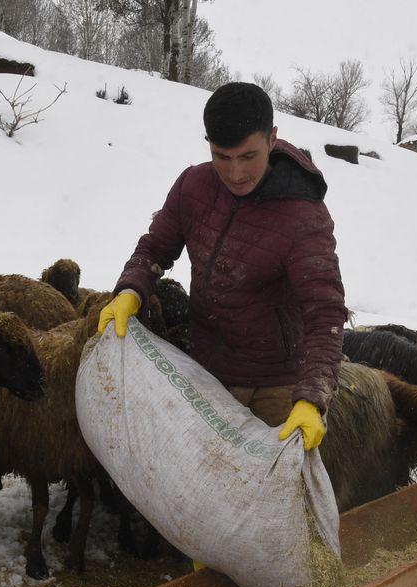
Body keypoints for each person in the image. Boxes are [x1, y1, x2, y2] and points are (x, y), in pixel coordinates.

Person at [97, 82, 346, 450]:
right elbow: (155, 248)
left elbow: (324, 313)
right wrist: (131, 290)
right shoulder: (193, 185)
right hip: (205, 372)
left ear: (272, 138)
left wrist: (311, 397)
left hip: (274, 385)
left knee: (265, 494)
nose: (235, 173)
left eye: (248, 156)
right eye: (221, 156)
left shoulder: (303, 215)